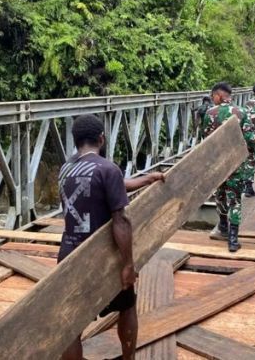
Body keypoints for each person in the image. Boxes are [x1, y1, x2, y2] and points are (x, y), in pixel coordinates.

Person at [59, 114, 165, 360]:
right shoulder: (108, 168)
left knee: (71, 324)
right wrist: (128, 264)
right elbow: (121, 221)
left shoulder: (65, 169)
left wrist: (146, 179)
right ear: (101, 139)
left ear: (76, 141)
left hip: (69, 253)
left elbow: (109, 184)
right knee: (127, 307)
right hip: (103, 256)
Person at [201, 82, 255, 252]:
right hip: (236, 164)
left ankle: (223, 226)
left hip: (217, 165)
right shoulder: (242, 112)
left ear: (219, 95)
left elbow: (206, 140)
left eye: (213, 97)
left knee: (219, 194)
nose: (213, 99)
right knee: (235, 200)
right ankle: (233, 240)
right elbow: (250, 139)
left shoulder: (210, 113)